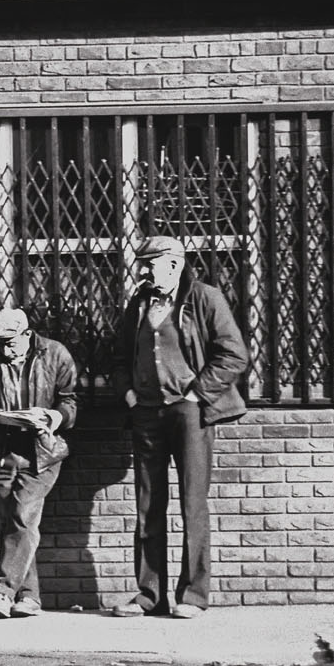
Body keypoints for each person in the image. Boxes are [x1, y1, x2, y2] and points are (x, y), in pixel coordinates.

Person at [111, 236, 248, 620]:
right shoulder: (139, 304)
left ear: (173, 264)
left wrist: (197, 394)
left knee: (193, 504)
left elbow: (234, 354)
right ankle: (148, 596)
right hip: (147, 414)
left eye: (149, 263)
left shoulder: (205, 297)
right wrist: (129, 395)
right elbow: (120, 357)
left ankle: (193, 596)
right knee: (147, 507)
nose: (142, 270)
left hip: (189, 415)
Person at [0, 306, 78, 618]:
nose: (5, 348)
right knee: (10, 524)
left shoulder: (54, 354)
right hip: (2, 449)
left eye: (11, 342)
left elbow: (69, 400)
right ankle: (29, 597)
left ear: (27, 334)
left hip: (42, 451)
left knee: (22, 514)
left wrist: (54, 416)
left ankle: (2, 591)